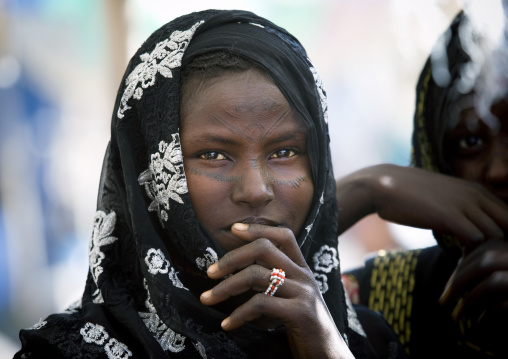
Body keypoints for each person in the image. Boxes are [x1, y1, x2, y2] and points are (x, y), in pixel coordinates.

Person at [14, 9, 408, 359]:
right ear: (149, 171)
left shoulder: (367, 341)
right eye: (213, 155)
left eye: (285, 152)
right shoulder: (67, 353)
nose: (256, 190)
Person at [337, 5, 508, 359]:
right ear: (435, 155)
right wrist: (366, 190)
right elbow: (220, 302)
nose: (498, 170)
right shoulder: (385, 298)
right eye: (470, 141)